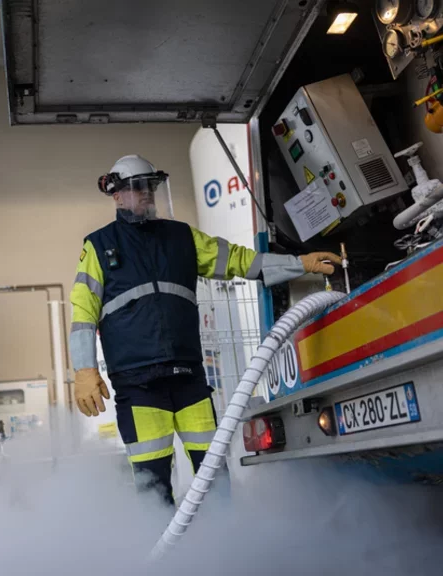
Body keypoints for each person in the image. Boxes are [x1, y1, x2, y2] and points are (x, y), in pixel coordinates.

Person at [69, 154, 341, 506]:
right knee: (153, 488)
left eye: (151, 187)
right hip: (138, 388)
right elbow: (83, 312)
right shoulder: (99, 245)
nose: (147, 195)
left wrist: (298, 263)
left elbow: (242, 261)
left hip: (189, 381)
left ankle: (221, 552)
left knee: (214, 479)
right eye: (138, 189)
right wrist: (84, 370)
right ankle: (164, 559)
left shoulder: (182, 237)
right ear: (116, 195)